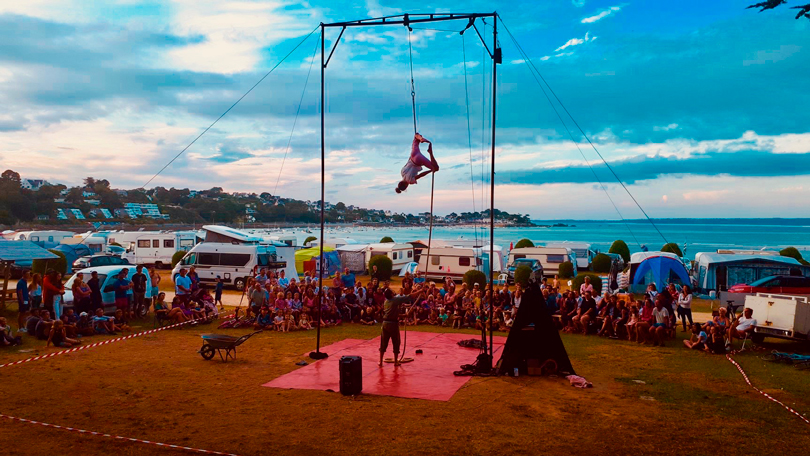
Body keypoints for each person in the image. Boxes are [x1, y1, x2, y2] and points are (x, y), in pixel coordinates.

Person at [378, 288, 419, 367]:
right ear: (391, 294)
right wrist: (419, 291)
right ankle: (396, 361)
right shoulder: (395, 300)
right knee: (396, 342)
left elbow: (391, 313)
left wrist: (403, 316)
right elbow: (409, 297)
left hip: (385, 323)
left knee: (383, 342)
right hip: (393, 324)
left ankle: (380, 361)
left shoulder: (386, 302)